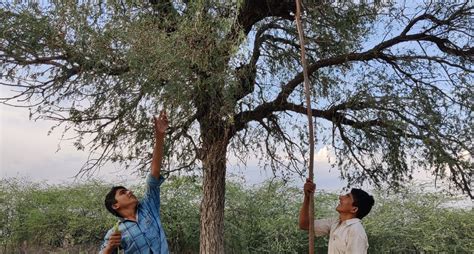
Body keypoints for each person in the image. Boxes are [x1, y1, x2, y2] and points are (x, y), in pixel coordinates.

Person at [100, 111, 169, 254]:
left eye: (127, 190)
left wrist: (160, 136)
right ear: (115, 205)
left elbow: (154, 175)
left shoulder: (149, 207)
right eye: (123, 193)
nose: (129, 191)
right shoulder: (115, 233)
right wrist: (109, 247)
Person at [299, 179, 375, 254]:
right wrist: (307, 197)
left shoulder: (356, 231)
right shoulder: (335, 223)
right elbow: (305, 225)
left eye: (347, 196)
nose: (340, 197)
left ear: (354, 209)